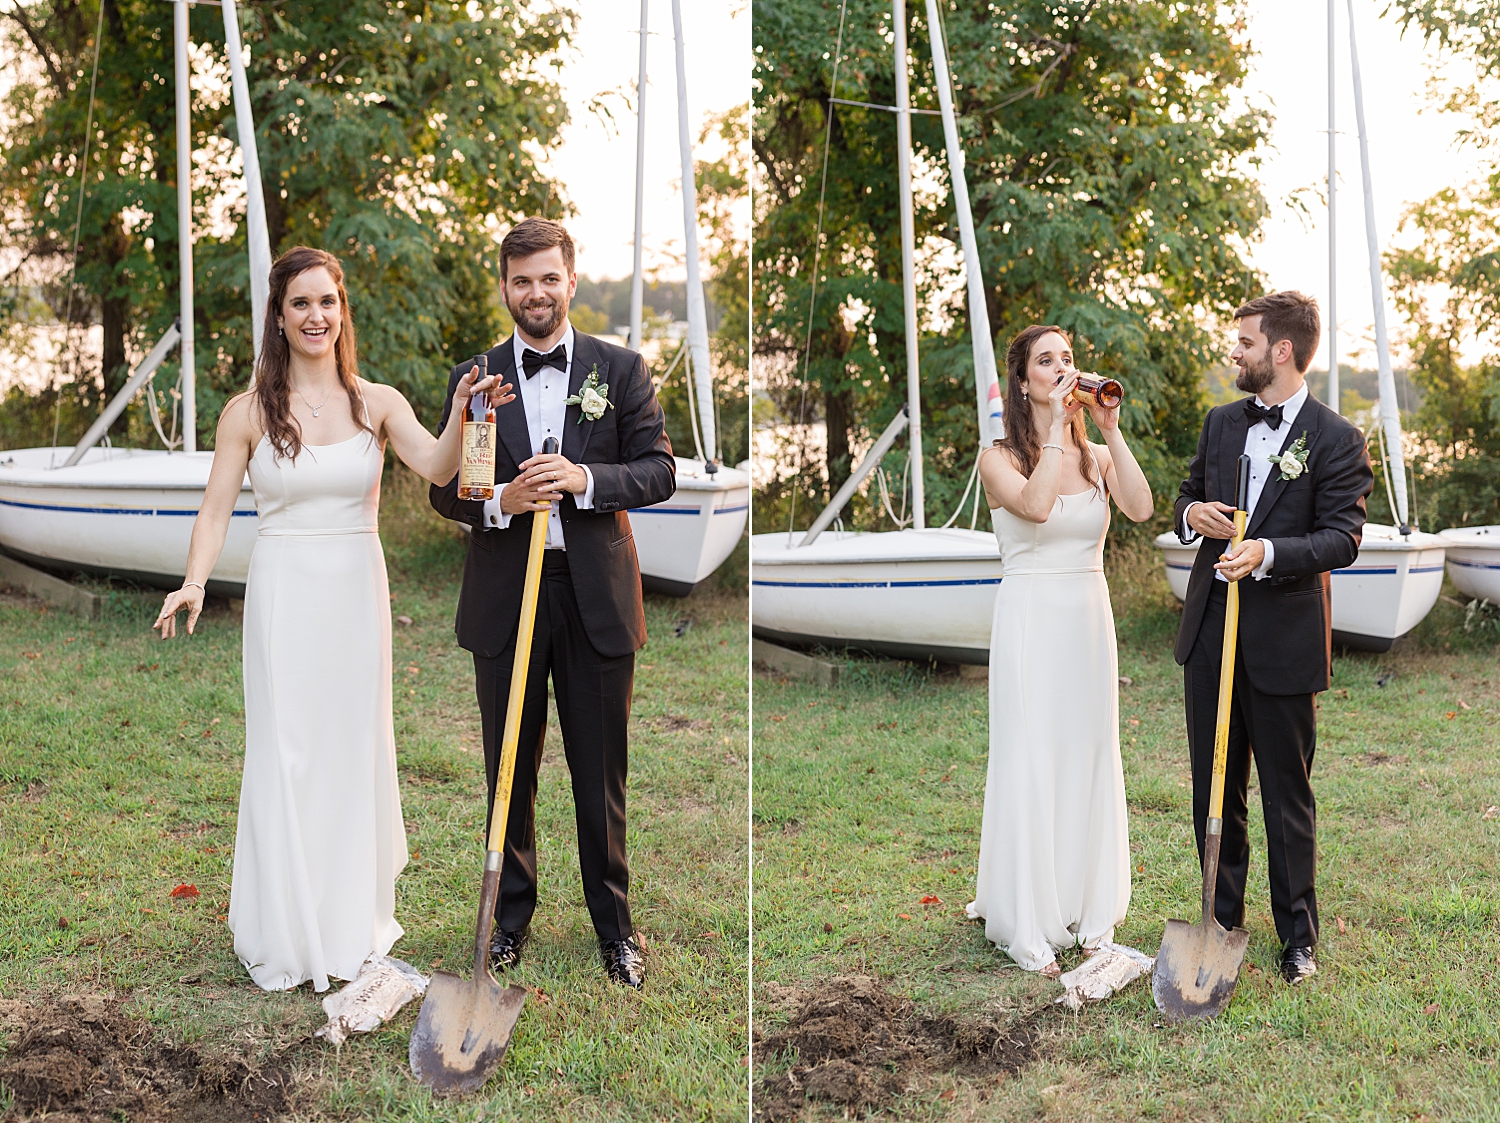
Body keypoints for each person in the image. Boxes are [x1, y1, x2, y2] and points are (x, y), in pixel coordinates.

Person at [152, 246, 512, 992]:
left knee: (351, 752)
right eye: (300, 304)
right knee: (287, 753)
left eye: (328, 302)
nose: (316, 315)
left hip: (356, 594)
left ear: (342, 312)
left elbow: (444, 467)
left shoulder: (374, 403)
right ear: (279, 318)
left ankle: (349, 925)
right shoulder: (247, 413)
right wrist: (194, 580)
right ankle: (284, 926)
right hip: (283, 593)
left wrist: (467, 414)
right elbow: (216, 507)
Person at [429, 218, 676, 990]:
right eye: (520, 279)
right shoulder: (477, 378)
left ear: (572, 281)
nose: (535, 292)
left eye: (548, 278)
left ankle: (615, 929)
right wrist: (500, 497)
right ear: (503, 287)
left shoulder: (622, 368)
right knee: (512, 765)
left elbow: (659, 471)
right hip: (508, 594)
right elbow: (449, 489)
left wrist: (585, 481)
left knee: (600, 770)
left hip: (595, 592)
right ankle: (508, 923)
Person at [1174, 291, 1372, 985]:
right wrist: (1191, 511)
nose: (1236, 352)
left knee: (1288, 796)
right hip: (1210, 638)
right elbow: (1186, 495)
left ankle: (1297, 938)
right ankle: (1219, 922)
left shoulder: (1337, 439)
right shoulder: (1221, 422)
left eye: (1246, 342)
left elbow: (1341, 539)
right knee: (1214, 789)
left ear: (1281, 350)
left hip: (1284, 641)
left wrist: (1266, 553)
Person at [966, 325, 1154, 976]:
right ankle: (1030, 921)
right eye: (1046, 361)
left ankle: (1087, 909)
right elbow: (1039, 507)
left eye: (1067, 358)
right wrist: (1052, 430)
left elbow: (1140, 505)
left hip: (1088, 621)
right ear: (1023, 382)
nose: (1061, 368)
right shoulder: (998, 457)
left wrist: (1109, 430)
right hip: (1030, 621)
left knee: (1088, 753)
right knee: (1032, 756)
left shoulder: (1095, 458)